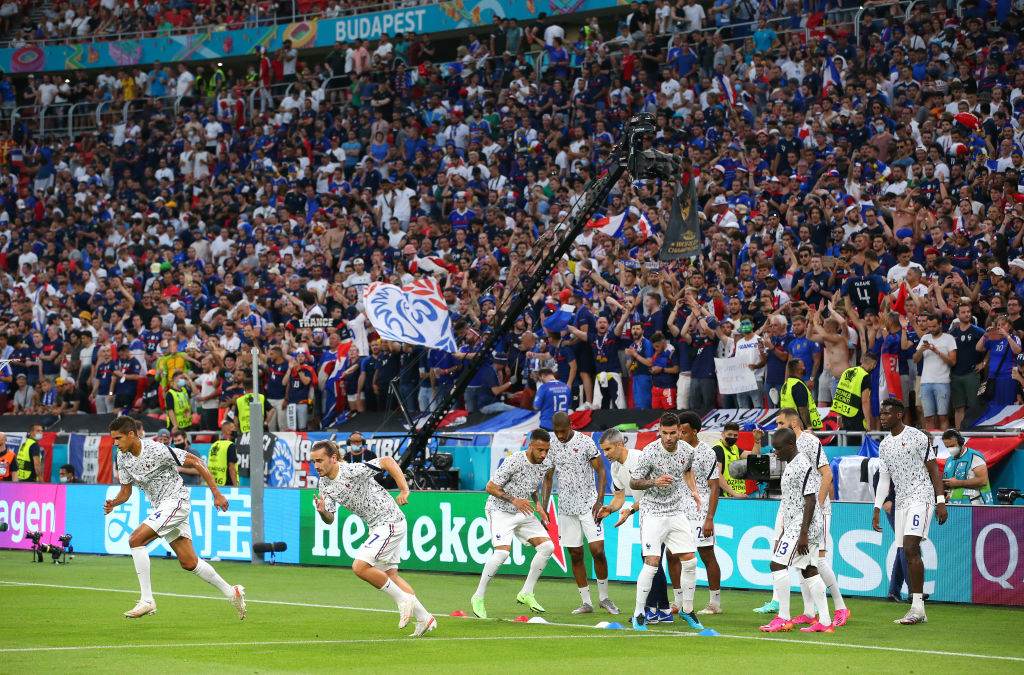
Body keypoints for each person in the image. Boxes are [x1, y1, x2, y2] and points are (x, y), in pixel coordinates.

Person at [103, 416, 246, 619]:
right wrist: (114, 503)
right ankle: (232, 592)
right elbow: (126, 492)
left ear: (131, 434)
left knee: (135, 539)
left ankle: (147, 600)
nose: (115, 443)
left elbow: (196, 462)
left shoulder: (157, 450)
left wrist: (217, 493)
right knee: (189, 562)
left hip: (177, 501)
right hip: (162, 507)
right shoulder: (122, 457)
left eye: (118, 438)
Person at [310, 439, 436, 636]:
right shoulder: (324, 483)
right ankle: (425, 618)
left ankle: (404, 600)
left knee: (360, 567)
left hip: (390, 521)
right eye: (313, 462)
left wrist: (404, 489)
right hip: (377, 526)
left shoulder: (351, 470)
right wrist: (322, 511)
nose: (316, 466)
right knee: (391, 575)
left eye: (319, 460)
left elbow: (387, 461)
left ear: (333, 458)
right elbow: (330, 519)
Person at [628, 412, 706, 632]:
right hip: (652, 511)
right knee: (652, 562)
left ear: (680, 431)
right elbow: (634, 482)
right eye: (665, 433)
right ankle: (639, 613)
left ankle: (687, 610)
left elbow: (688, 470)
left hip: (676, 510)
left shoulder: (688, 451)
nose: (669, 437)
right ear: (659, 431)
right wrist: (654, 481)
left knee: (690, 561)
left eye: (673, 433)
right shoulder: (650, 452)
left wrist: (694, 491)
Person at [872, 398, 948, 625]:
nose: (883, 417)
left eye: (887, 413)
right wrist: (877, 507)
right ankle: (918, 608)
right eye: (881, 413)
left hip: (921, 497)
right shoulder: (884, 445)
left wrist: (940, 501)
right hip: (901, 502)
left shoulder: (917, 436)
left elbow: (933, 469)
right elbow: (884, 479)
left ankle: (917, 607)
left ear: (899, 414)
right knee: (906, 551)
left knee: (911, 547)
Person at [773, 408, 849, 626]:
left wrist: (821, 504)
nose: (777, 428)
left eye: (780, 424)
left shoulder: (809, 443)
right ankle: (809, 612)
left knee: (818, 561)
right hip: (794, 509)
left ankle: (840, 607)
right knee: (802, 563)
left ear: (794, 423)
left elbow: (827, 473)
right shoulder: (786, 451)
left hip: (814, 509)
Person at [472, 429, 555, 619]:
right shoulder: (514, 460)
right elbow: (490, 487)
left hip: (523, 510)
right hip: (500, 510)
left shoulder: (546, 463)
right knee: (501, 553)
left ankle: (526, 592)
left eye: (546, 450)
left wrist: (541, 506)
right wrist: (514, 500)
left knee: (547, 547)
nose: (544, 454)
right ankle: (478, 596)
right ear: (531, 446)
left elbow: (532, 485)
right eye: (540, 450)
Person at [540, 412, 617, 615]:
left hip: (589, 504)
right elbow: (548, 478)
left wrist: (600, 500)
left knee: (598, 550)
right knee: (575, 554)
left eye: (563, 431)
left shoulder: (586, 443)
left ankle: (604, 598)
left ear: (571, 425)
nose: (560, 436)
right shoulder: (552, 445)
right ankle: (586, 602)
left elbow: (601, 471)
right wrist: (544, 507)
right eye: (556, 432)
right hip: (566, 508)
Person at [759, 427, 833, 634]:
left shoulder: (802, 465)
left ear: (791, 446)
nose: (775, 453)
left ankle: (783, 618)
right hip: (798, 525)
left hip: (804, 525)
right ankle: (825, 621)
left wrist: (803, 533)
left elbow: (810, 500)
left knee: (777, 564)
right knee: (809, 570)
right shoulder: (792, 464)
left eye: (778, 448)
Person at [677, 411, 723, 615]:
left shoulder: (706, 452)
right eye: (678, 431)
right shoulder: (675, 450)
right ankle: (678, 601)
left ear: (695, 432)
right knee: (675, 555)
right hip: (678, 509)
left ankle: (714, 603)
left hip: (700, 509)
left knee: (706, 554)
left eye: (684, 432)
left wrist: (709, 518)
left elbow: (715, 487)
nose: (679, 435)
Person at [913, 314, 956, 430]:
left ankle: (944, 444)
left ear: (940, 325)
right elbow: (915, 359)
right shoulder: (925, 338)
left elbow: (952, 362)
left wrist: (936, 351)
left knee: (943, 416)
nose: (931, 329)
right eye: (930, 327)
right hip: (925, 382)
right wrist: (921, 349)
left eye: (934, 326)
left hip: (942, 382)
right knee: (928, 417)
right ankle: (931, 445)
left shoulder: (949, 339)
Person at [940, 429, 993, 504]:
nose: (950, 449)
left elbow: (983, 480)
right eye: (947, 447)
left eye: (952, 446)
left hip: (975, 506)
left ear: (961, 443)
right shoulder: (949, 460)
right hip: (955, 505)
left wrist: (957, 483)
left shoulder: (974, 456)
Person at [830, 353, 876, 431]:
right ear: (873, 364)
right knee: (857, 442)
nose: (874, 367)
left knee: (846, 442)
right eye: (875, 365)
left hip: (844, 415)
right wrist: (868, 422)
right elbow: (865, 401)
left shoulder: (847, 371)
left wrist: (838, 416)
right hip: (856, 416)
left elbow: (838, 394)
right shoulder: (865, 376)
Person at [713, 422, 753, 498]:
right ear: (723, 434)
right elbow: (717, 475)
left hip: (738, 494)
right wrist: (734, 494)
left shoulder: (734, 448)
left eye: (735, 435)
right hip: (724, 497)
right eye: (729, 435)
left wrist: (757, 441)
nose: (732, 437)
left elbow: (753, 455)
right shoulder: (717, 449)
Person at [779, 359, 821, 430]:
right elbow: (802, 409)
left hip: (789, 425)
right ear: (798, 370)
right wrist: (808, 427)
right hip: (801, 427)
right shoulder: (798, 385)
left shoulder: (786, 385)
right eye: (803, 366)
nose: (804, 368)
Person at [533, 364, 570, 430]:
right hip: (564, 425)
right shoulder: (566, 386)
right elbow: (569, 404)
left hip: (548, 425)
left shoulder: (543, 387)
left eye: (540, 379)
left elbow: (536, 406)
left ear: (543, 376)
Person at [207, 420, 239, 487]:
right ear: (228, 431)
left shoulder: (214, 444)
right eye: (233, 428)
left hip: (214, 484)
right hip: (227, 484)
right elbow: (231, 468)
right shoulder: (230, 445)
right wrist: (236, 487)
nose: (235, 429)